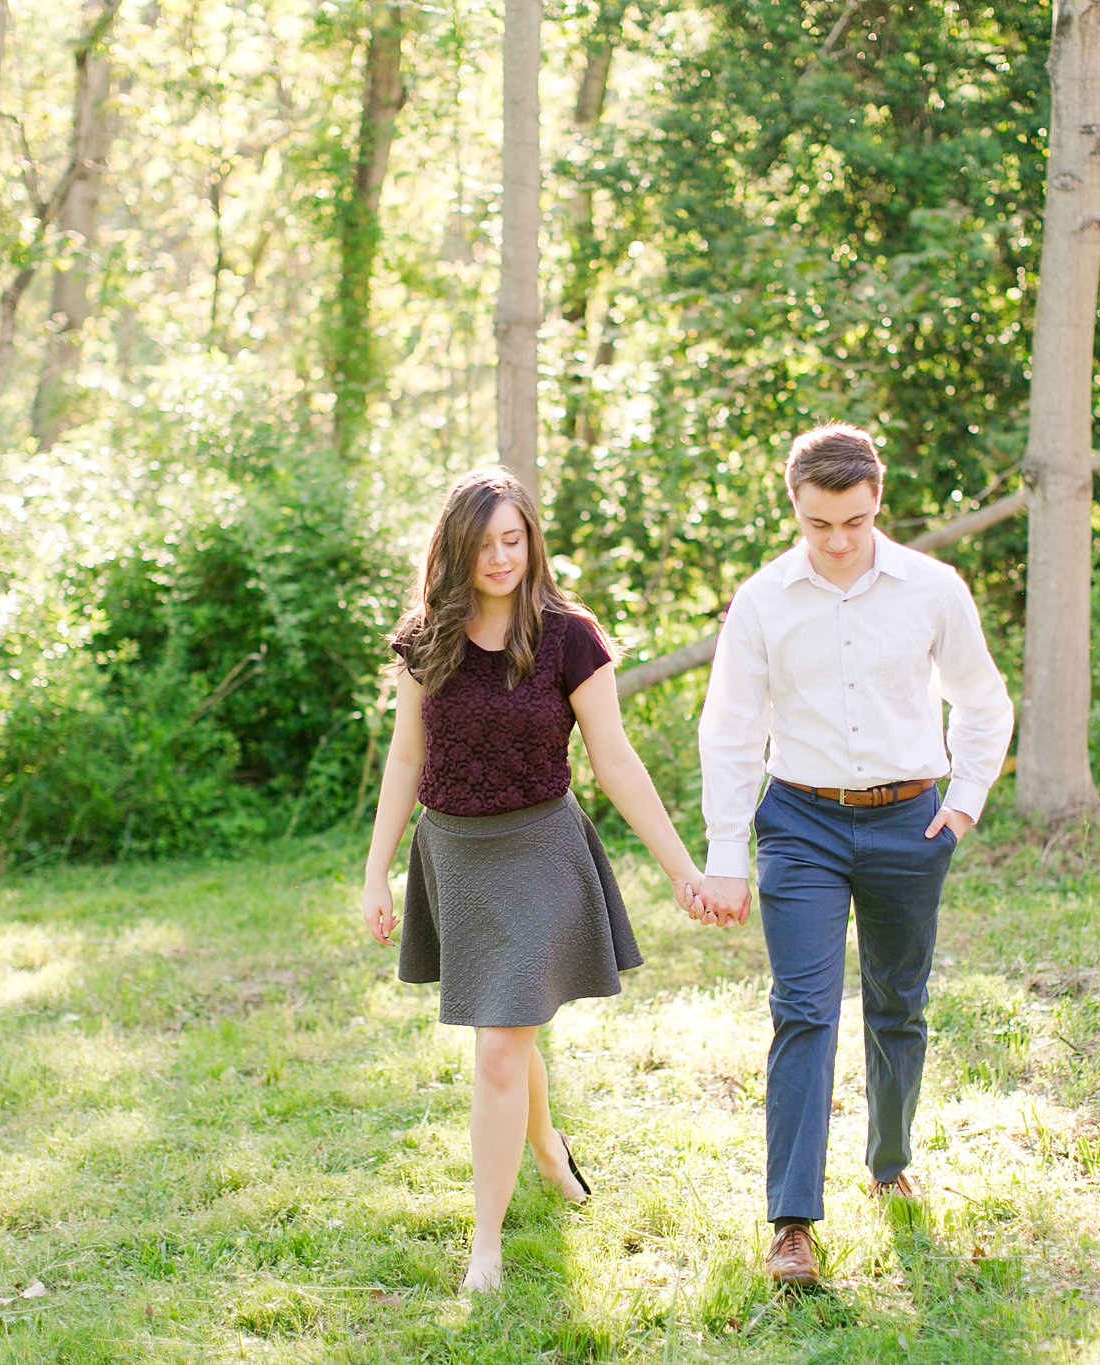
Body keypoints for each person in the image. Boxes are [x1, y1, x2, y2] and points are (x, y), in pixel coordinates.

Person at [361, 468, 709, 1294]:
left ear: (531, 541)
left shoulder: (569, 637)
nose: (501, 556)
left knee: (497, 1046)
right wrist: (375, 872)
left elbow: (614, 760)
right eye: (484, 543)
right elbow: (407, 757)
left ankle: (486, 1243)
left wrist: (682, 868)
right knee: (506, 1024)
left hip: (540, 850)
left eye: (513, 539)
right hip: (454, 852)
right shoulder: (427, 636)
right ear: (455, 548)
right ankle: (547, 1146)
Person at [695, 423, 1014, 1288]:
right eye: (819, 525)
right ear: (794, 507)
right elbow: (729, 730)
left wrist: (964, 802)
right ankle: (792, 1221)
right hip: (799, 822)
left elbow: (983, 701)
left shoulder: (932, 590)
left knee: (897, 1003)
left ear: (879, 500)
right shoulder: (762, 600)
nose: (837, 542)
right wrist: (728, 853)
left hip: (911, 822)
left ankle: (889, 1158)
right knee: (803, 1007)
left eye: (855, 522)